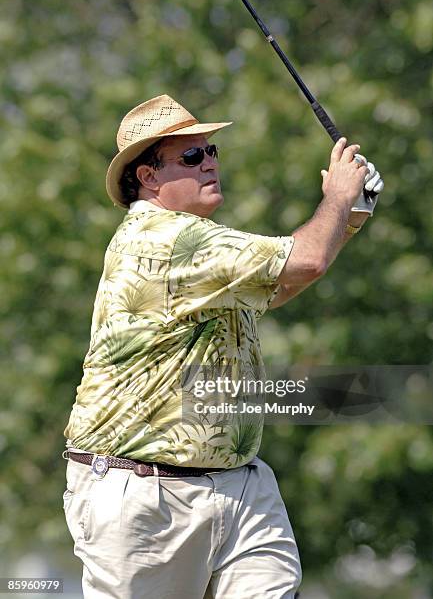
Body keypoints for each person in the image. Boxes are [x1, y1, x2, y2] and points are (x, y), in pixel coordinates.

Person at [62, 94, 383, 599]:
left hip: (240, 485)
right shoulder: (164, 240)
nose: (210, 162)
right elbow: (308, 261)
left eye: (212, 152)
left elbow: (280, 286)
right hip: (146, 498)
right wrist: (339, 194)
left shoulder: (200, 244)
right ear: (148, 177)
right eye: (192, 156)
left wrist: (353, 210)